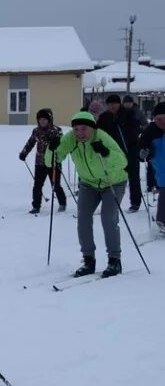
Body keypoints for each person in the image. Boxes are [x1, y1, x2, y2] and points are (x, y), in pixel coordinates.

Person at [53, 111, 128, 278]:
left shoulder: (102, 137)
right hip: (88, 183)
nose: (79, 133)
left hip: (113, 182)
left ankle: (114, 260)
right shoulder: (70, 139)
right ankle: (88, 260)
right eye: (76, 129)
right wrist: (52, 150)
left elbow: (123, 162)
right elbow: (52, 160)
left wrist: (106, 154)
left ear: (92, 129)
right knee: (83, 219)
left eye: (83, 129)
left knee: (108, 219)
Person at [97, 94, 143, 212]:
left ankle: (135, 202)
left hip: (130, 150)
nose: (112, 106)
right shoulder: (104, 117)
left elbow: (136, 130)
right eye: (109, 104)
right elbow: (98, 132)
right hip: (113, 153)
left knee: (133, 177)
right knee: (113, 178)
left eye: (114, 104)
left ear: (119, 104)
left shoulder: (128, 114)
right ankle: (112, 202)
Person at [19, 108, 67, 214]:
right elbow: (30, 142)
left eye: (45, 119)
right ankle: (36, 206)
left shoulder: (56, 130)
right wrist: (24, 153)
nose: (42, 121)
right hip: (40, 163)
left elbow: (63, 145)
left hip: (54, 162)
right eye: (40, 119)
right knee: (37, 185)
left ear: (49, 120)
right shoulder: (36, 131)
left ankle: (62, 203)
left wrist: (57, 143)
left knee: (56, 185)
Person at [136, 102, 165, 234]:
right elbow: (141, 148)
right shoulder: (150, 131)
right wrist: (143, 153)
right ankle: (162, 221)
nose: (162, 122)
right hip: (161, 168)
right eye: (159, 119)